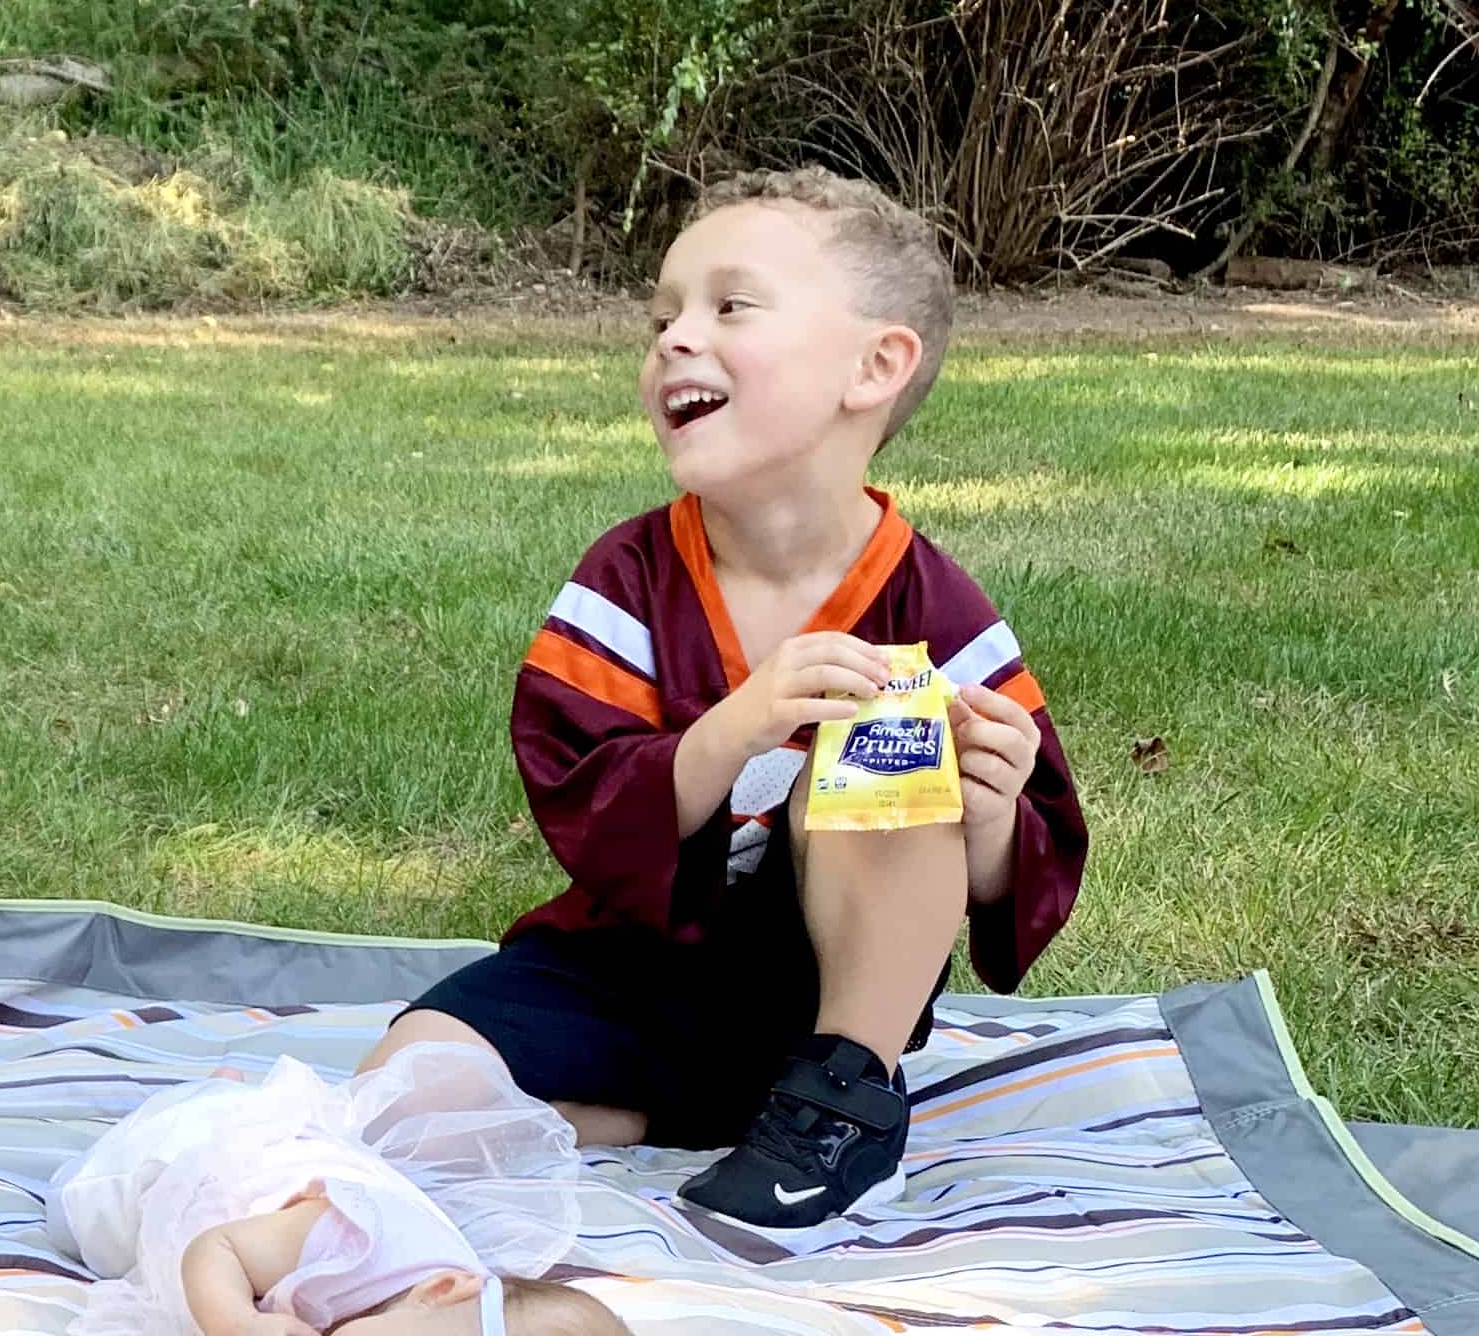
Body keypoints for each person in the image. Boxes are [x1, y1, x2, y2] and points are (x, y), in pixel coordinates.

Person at [380, 167, 1087, 1229]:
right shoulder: (626, 582)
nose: (674, 337)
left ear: (874, 365)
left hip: (824, 999)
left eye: (730, 306)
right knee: (401, 1101)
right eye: (662, 314)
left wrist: (989, 812)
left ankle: (841, 1100)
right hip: (624, 977)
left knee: (888, 739)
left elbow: (1019, 864)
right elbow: (584, 805)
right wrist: (738, 724)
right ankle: (693, 1111)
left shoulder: (932, 607)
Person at [51, 1040, 659, 1336]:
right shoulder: (351, 1241)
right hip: (205, 1170)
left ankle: (225, 1091)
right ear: (439, 1289)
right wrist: (238, 1331)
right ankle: (219, 1095)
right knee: (76, 1216)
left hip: (265, 1243)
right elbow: (216, 1249)